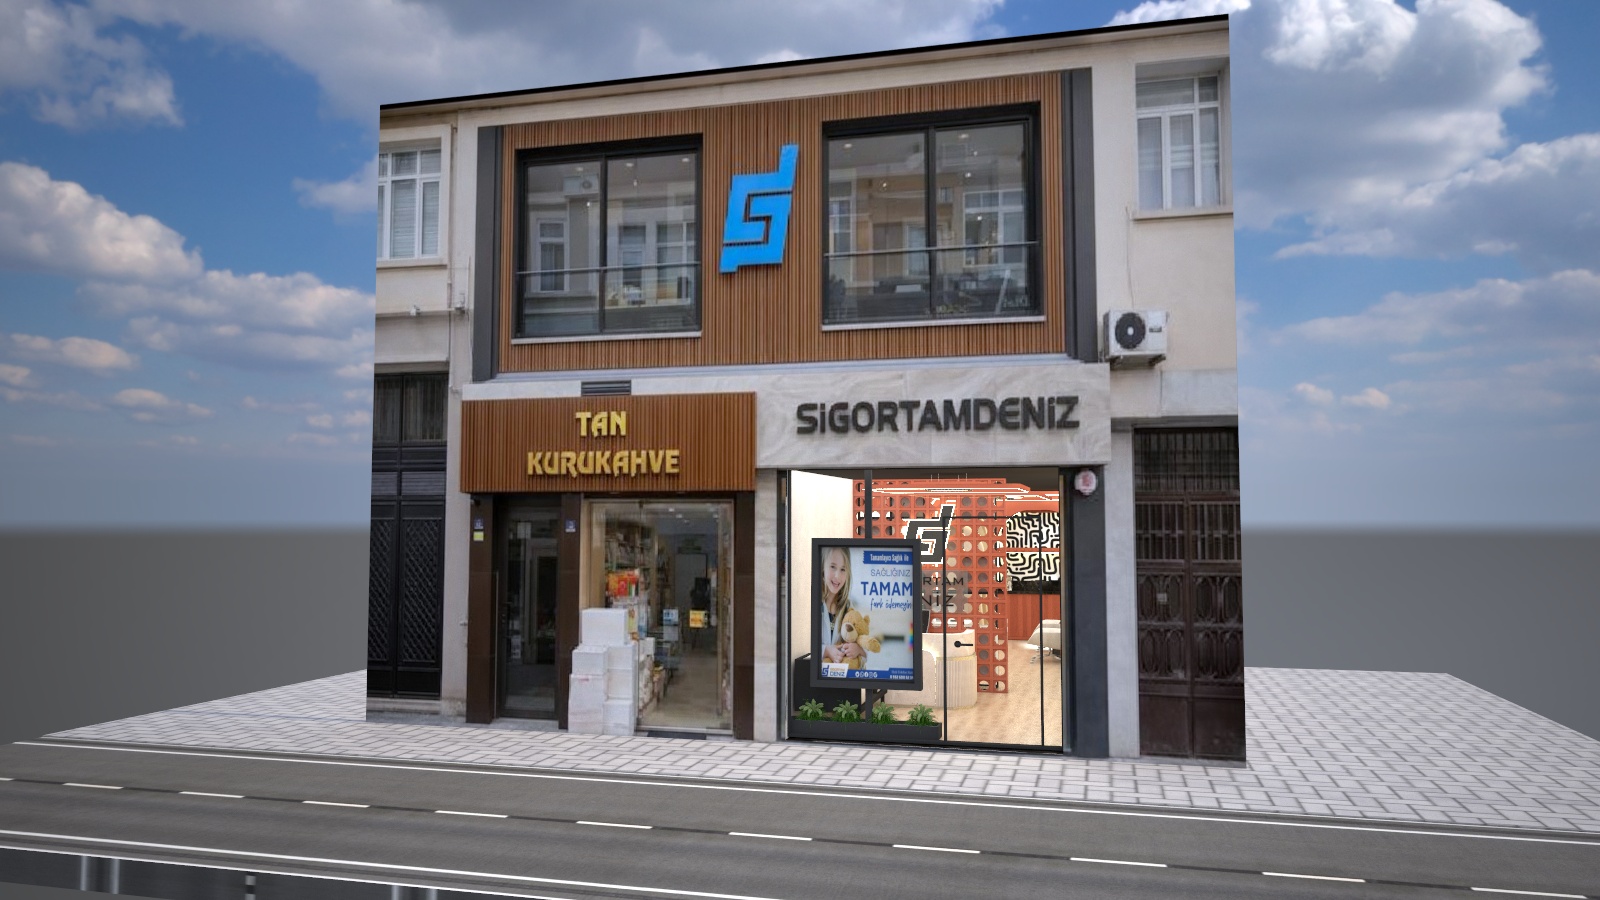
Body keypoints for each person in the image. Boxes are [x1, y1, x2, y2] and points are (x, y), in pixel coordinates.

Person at [819, 546, 864, 665]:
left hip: (840, 674)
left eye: (843, 569)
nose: (837, 576)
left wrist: (858, 649)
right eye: (833, 567)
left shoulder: (849, 607)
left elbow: (865, 650)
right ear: (823, 567)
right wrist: (826, 651)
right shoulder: (812, 602)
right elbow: (801, 646)